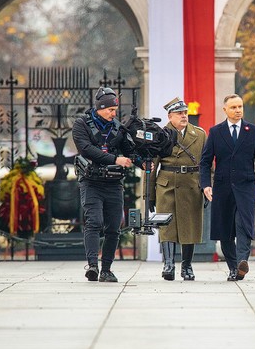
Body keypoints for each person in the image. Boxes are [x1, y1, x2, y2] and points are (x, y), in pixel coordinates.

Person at [72, 87, 138, 283]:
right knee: (94, 222)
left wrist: (142, 156)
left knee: (113, 228)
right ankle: (92, 265)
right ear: (100, 108)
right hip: (91, 182)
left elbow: (130, 150)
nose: (113, 113)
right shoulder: (81, 124)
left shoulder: (117, 127)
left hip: (113, 184)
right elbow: (86, 149)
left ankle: (106, 269)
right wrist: (114, 159)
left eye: (115, 110)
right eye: (110, 110)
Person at [200, 94, 255, 281]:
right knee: (225, 230)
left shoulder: (252, 131)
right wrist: (206, 185)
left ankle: (241, 262)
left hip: (246, 186)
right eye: (234, 107)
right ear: (225, 110)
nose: (238, 110)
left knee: (243, 224)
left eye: (240, 107)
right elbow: (205, 162)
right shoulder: (215, 132)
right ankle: (233, 267)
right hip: (222, 188)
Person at [148, 97, 206, 281]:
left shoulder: (200, 134)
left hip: (191, 185)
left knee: (191, 226)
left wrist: (206, 187)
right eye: (179, 113)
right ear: (169, 116)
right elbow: (151, 167)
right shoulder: (160, 135)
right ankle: (169, 264)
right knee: (167, 225)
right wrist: (149, 195)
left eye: (185, 113)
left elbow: (206, 165)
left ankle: (187, 266)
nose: (183, 116)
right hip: (166, 185)